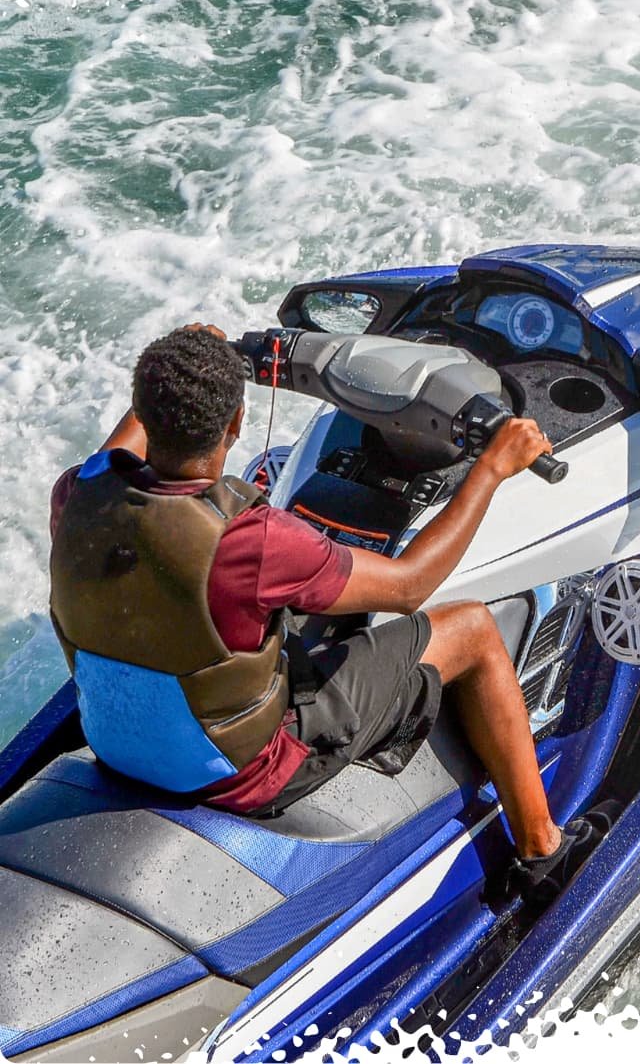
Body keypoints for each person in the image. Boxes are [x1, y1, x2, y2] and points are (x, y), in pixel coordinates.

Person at [49, 324, 607, 911]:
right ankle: (543, 853)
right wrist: (491, 468)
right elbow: (410, 586)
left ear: (142, 408)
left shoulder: (76, 495)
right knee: (471, 627)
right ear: (237, 424)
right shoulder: (252, 542)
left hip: (114, 741)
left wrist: (182, 364)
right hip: (239, 773)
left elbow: (118, 446)